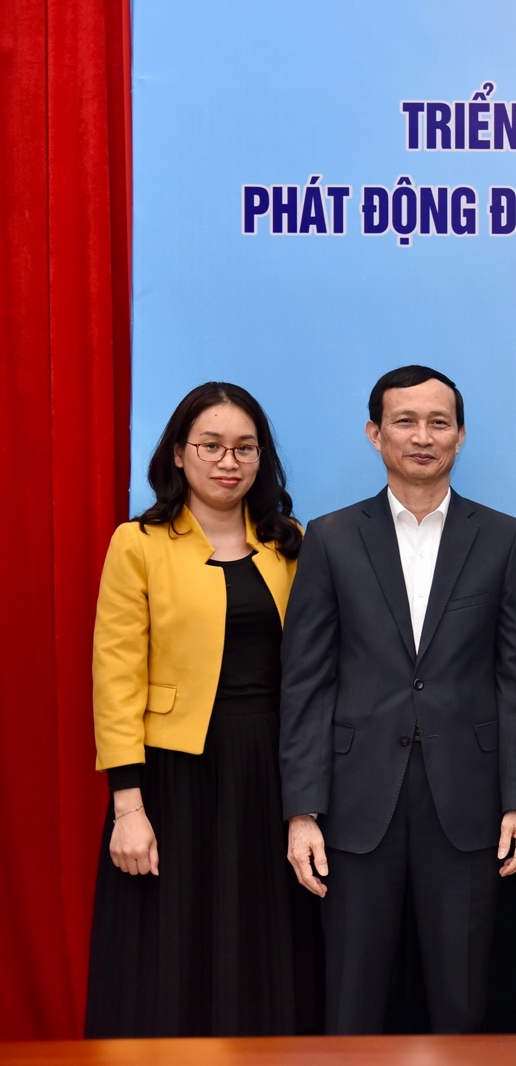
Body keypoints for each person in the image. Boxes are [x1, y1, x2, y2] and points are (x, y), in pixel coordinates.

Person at [278, 365, 516, 1034]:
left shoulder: (503, 537)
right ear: (375, 434)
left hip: (468, 801)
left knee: (461, 998)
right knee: (352, 998)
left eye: (438, 422)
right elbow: (306, 681)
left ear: (460, 435)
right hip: (355, 801)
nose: (422, 436)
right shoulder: (331, 537)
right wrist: (302, 810)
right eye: (405, 421)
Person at [86, 382, 319, 1037]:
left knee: (266, 937)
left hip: (270, 769)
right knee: (172, 944)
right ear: (178, 454)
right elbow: (116, 678)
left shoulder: (290, 542)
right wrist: (127, 806)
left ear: (262, 458)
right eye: (210, 445)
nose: (228, 461)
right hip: (173, 774)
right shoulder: (138, 543)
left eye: (245, 447)